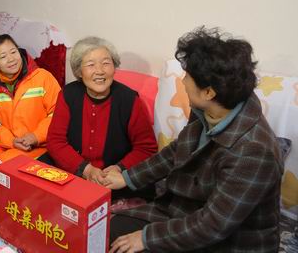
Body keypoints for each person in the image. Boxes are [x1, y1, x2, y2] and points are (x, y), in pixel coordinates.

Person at [106, 27, 283, 253]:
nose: (182, 81)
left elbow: (213, 226)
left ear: (208, 92)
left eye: (187, 77)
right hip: (182, 211)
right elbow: (177, 151)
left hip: (228, 242)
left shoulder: (253, 152)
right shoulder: (211, 108)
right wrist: (127, 178)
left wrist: (146, 238)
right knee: (107, 231)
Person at [43, 36, 157, 199]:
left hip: (112, 179)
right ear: (79, 71)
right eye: (90, 65)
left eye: (106, 63)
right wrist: (86, 169)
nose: (100, 71)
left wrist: (119, 168)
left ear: (114, 67)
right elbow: (55, 141)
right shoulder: (68, 94)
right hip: (73, 171)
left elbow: (146, 148)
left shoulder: (129, 100)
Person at [0, 34, 61, 161]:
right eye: (3, 56)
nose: (11, 59)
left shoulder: (43, 77)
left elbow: (58, 115)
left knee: (5, 167)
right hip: (5, 145)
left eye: (13, 52)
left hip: (41, 146)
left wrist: (35, 136)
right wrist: (11, 141)